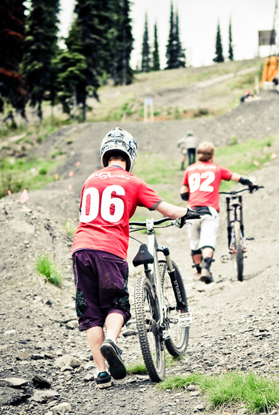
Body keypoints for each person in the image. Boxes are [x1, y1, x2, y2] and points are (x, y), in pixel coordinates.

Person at [72, 127, 199, 389]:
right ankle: (112, 341)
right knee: (117, 303)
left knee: (90, 312)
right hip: (110, 251)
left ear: (105, 154)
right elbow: (167, 209)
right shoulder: (133, 181)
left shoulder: (90, 180)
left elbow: (85, 213)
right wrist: (187, 212)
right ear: (129, 155)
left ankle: (101, 374)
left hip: (81, 249)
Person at [180, 142, 258, 283]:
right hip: (209, 210)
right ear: (212, 155)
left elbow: (183, 194)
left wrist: (193, 194)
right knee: (208, 241)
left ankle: (198, 270)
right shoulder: (217, 169)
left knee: (194, 243)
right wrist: (251, 184)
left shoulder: (189, 169)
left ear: (198, 155)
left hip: (191, 211)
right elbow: (238, 178)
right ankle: (206, 268)